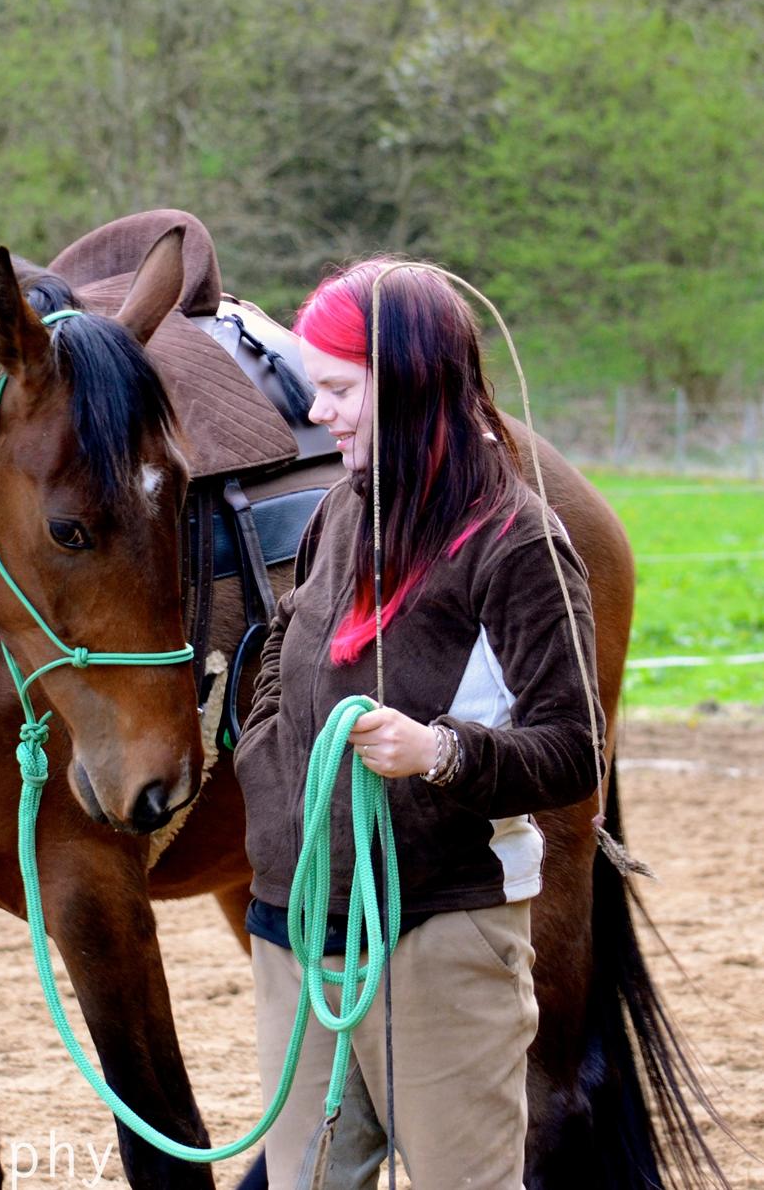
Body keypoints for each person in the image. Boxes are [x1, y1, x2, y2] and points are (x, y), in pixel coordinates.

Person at [232, 256, 604, 1189]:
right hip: (294, 922)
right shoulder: (340, 511)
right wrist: (268, 748)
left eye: (339, 391)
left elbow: (572, 749)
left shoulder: (518, 542)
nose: (319, 414)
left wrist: (437, 752)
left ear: (407, 383)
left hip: (439, 929)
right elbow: (284, 642)